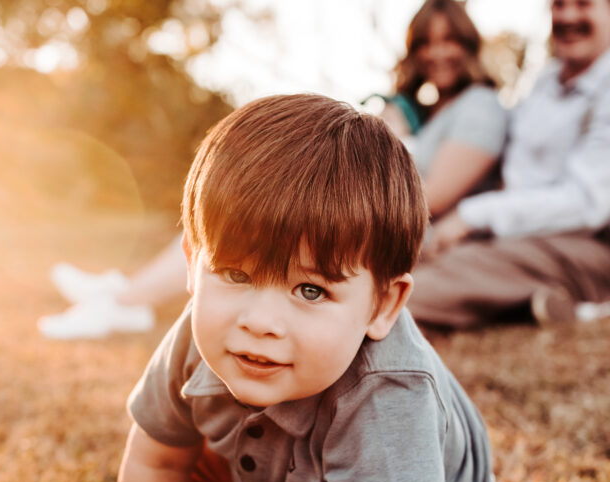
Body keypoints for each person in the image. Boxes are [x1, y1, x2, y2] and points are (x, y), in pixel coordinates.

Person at [77, 94, 497, 482]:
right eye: (237, 274)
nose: (260, 321)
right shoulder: (200, 334)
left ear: (383, 305)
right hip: (283, 466)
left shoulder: (387, 399)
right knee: (190, 442)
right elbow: (155, 457)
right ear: (194, 264)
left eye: (310, 291)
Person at [38, 0, 507, 340]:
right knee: (238, 210)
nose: (437, 53)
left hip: (399, 236)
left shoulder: (481, 107)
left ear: (469, 46)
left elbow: (431, 197)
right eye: (425, 42)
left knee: (258, 217)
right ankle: (123, 295)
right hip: (371, 218)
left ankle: (121, 301)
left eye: (449, 41)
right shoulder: (425, 112)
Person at [408, 0, 610, 330]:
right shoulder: (544, 85)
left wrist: (470, 216)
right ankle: (532, 303)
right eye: (559, 5)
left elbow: (587, 204)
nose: (567, 16)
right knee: (408, 259)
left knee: (440, 277)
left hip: (593, 249)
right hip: (516, 239)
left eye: (583, 5)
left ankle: (371, 317)